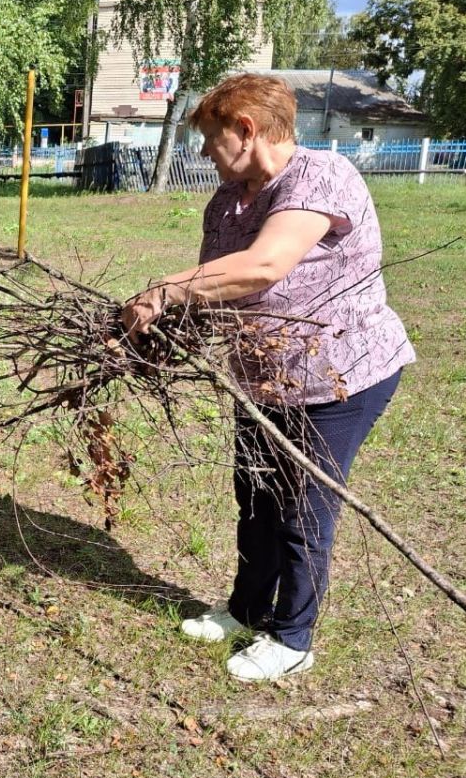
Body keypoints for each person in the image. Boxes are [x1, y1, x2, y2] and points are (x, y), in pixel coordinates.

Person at [122, 73, 415, 682]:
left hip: (341, 377)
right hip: (263, 381)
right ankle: (245, 608)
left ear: (246, 130)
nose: (204, 153)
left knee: (305, 506)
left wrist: (163, 288)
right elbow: (215, 290)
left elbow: (264, 266)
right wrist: (162, 339)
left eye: (210, 139)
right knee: (255, 496)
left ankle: (292, 636)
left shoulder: (322, 176)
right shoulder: (226, 201)